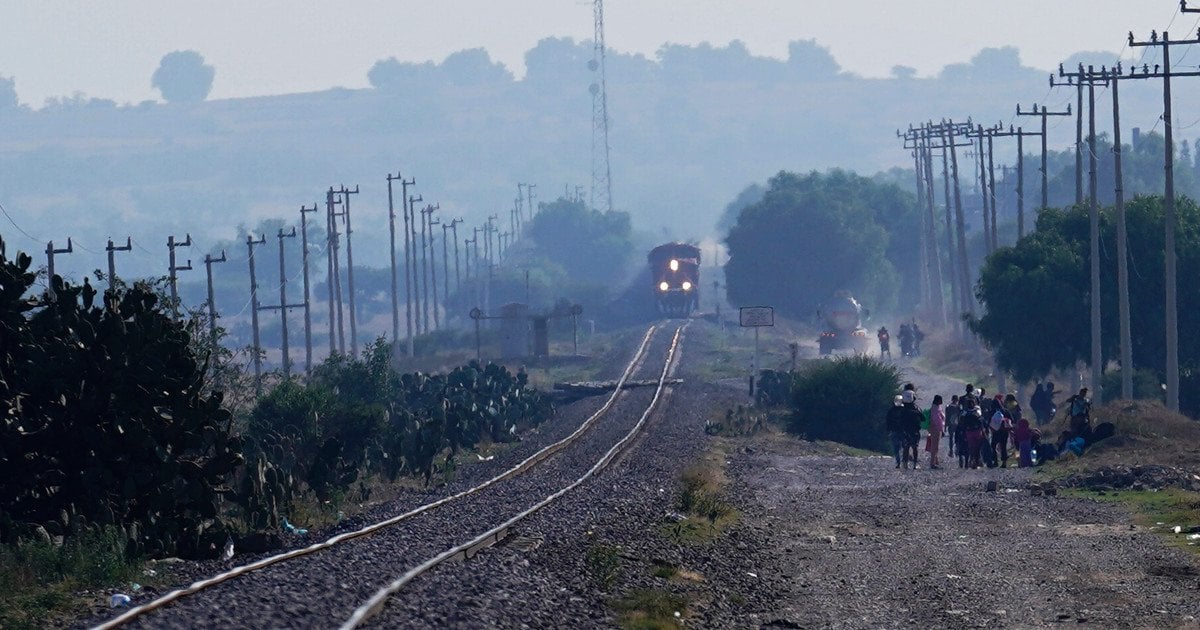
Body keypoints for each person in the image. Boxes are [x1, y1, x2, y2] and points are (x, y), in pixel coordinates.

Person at [899, 390, 924, 469]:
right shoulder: (916, 409)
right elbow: (923, 418)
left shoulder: (902, 410)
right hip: (914, 431)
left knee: (906, 448)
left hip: (905, 431)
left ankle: (905, 464)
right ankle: (915, 464)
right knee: (915, 448)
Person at [959, 396, 985, 469]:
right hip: (977, 431)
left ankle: (972, 461)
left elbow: (961, 422)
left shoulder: (965, 412)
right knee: (977, 447)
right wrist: (983, 430)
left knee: (971, 447)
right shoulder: (977, 411)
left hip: (969, 432)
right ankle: (976, 462)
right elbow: (981, 421)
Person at [989, 398, 1013, 468]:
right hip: (1004, 432)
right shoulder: (1005, 411)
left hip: (996, 432)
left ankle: (995, 461)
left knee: (993, 446)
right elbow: (1011, 420)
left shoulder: (992, 411)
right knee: (1003, 446)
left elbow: (989, 421)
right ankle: (1004, 463)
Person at [885, 394, 906, 469]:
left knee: (900, 447)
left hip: (900, 431)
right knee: (898, 447)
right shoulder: (894, 410)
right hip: (898, 431)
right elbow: (888, 421)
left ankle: (901, 462)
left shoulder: (893, 410)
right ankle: (900, 462)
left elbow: (888, 421)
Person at [927, 395, 945, 469]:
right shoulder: (935, 409)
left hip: (935, 428)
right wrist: (941, 430)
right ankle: (932, 463)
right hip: (935, 429)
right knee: (934, 446)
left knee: (935, 445)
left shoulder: (935, 407)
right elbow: (937, 421)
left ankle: (935, 461)